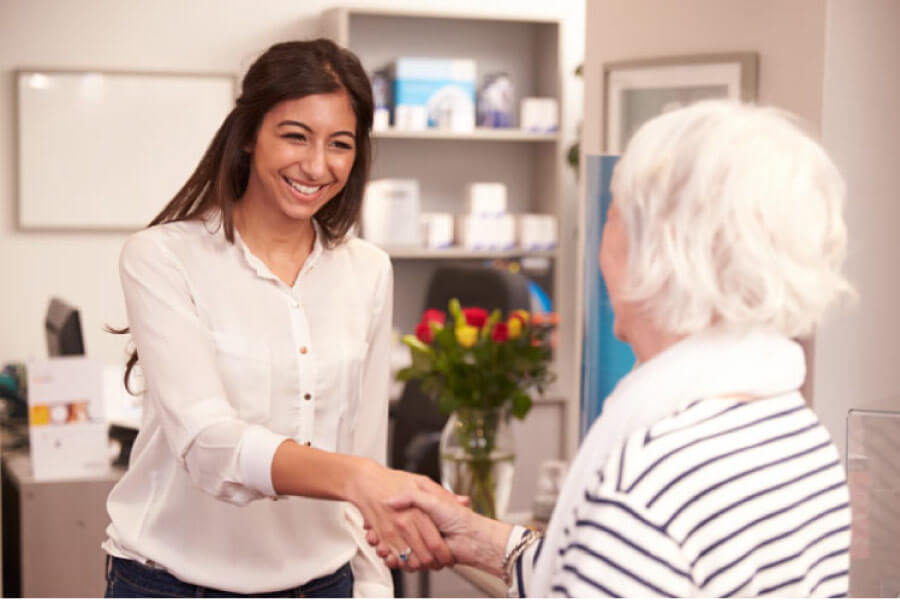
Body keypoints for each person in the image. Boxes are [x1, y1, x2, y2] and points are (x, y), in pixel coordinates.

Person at [367, 100, 855, 597]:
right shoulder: (800, 437)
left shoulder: (645, 482)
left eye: (614, 216)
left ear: (659, 250)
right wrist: (474, 535)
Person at [103, 39, 458, 597]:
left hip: (323, 582)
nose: (317, 166)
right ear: (248, 135)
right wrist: (356, 478)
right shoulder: (162, 256)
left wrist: (371, 585)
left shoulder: (368, 270)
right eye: (295, 135)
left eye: (340, 144)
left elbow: (363, 446)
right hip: (170, 582)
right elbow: (208, 444)